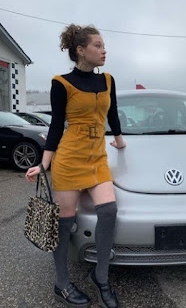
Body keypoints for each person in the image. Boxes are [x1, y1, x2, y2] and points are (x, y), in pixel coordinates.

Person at [25, 23, 126, 308]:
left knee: (109, 211)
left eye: (104, 45)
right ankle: (62, 283)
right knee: (64, 222)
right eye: (98, 45)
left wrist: (120, 141)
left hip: (97, 158)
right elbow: (56, 126)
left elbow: (113, 114)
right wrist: (43, 164)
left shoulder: (108, 80)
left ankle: (101, 276)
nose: (104, 50)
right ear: (80, 50)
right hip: (69, 159)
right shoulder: (61, 82)